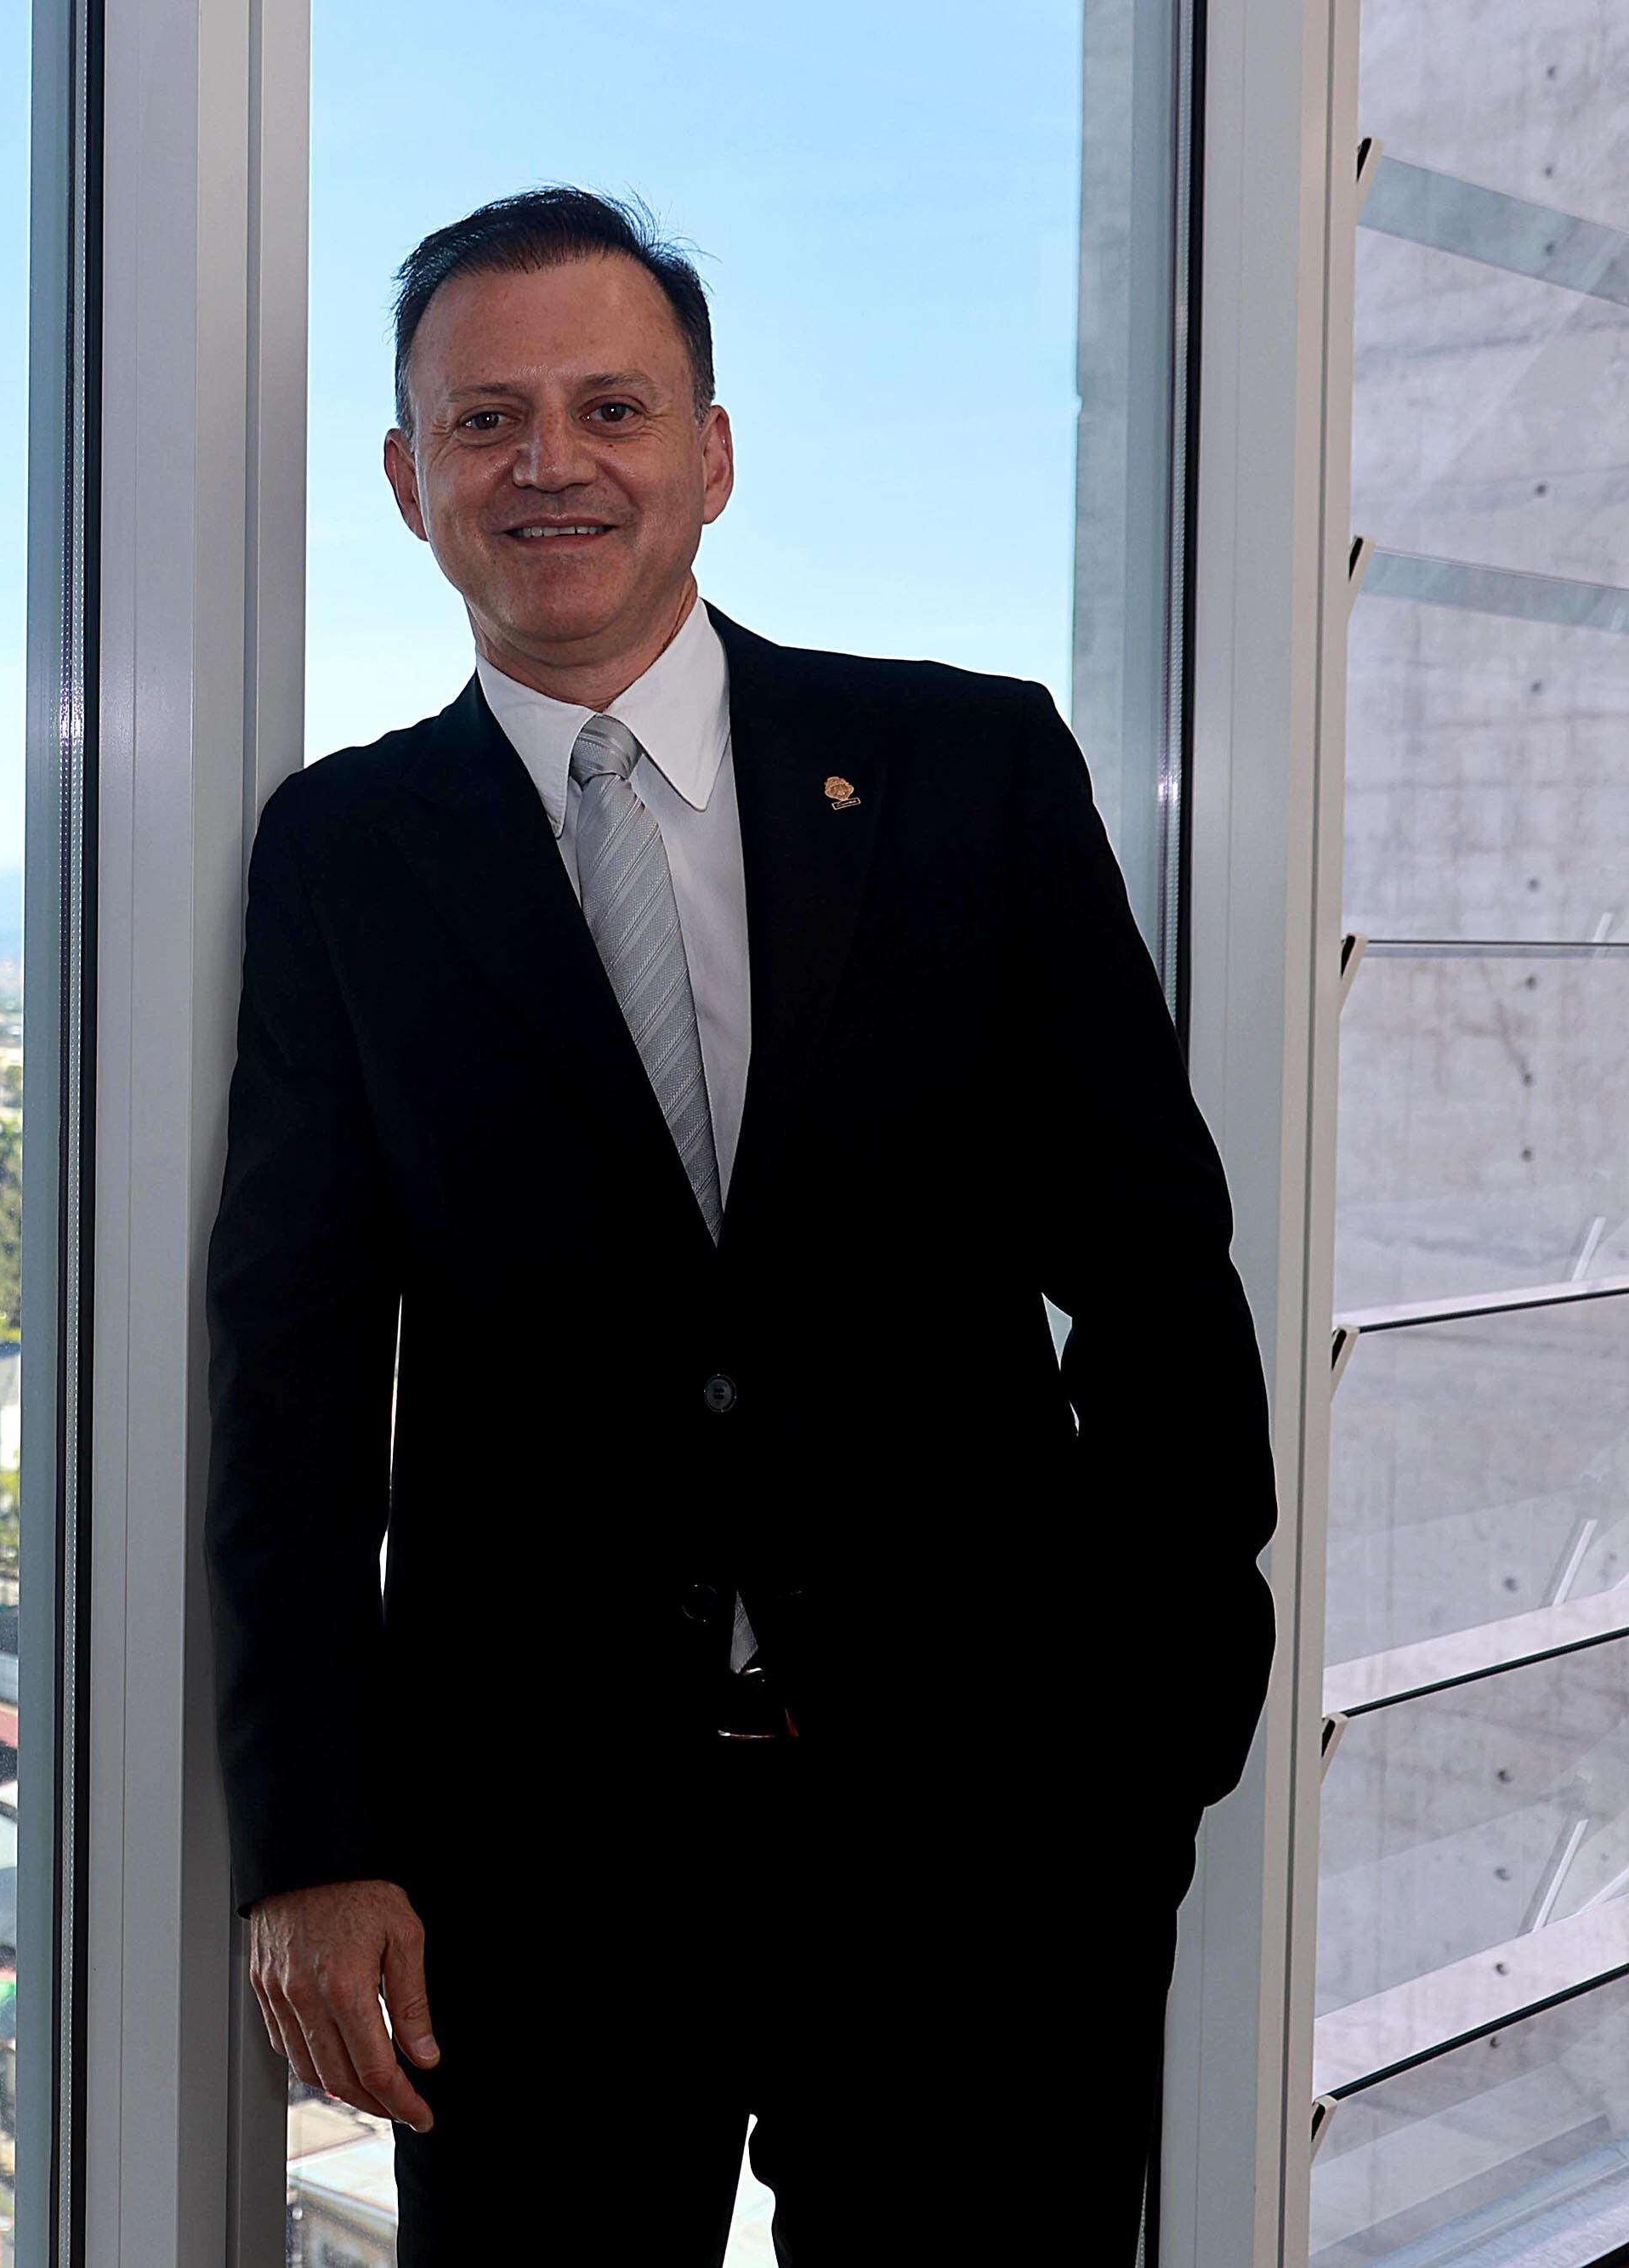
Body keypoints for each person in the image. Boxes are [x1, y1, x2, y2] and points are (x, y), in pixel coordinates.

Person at [202, 188, 1277, 2264]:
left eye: (610, 404)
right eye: (486, 417)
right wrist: (313, 1847)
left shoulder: (962, 766)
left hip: (989, 1834)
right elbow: (294, 1369)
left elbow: (1153, 1264)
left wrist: (1152, 1738)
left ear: (709, 449)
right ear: (406, 476)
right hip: (529, 1869)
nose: (550, 462)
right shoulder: (341, 850)